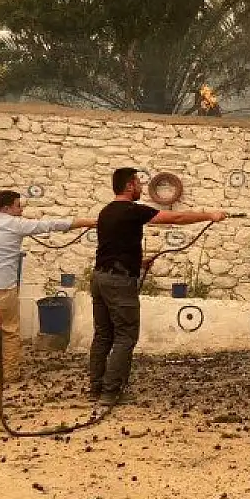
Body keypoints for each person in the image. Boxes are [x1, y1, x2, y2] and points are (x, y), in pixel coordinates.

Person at [90, 168, 225, 406]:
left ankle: (96, 387)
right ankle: (110, 393)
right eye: (139, 183)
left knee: (103, 335)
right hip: (119, 282)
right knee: (125, 336)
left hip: (100, 278)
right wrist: (209, 216)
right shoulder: (132, 210)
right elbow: (176, 218)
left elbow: (113, 247)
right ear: (130, 186)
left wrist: (137, 262)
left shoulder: (105, 212)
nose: (142, 187)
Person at [0, 190, 96, 382]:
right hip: (2, 288)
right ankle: (9, 375)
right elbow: (50, 225)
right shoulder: (15, 224)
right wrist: (86, 222)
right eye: (18, 206)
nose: (21, 209)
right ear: (7, 208)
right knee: (9, 330)